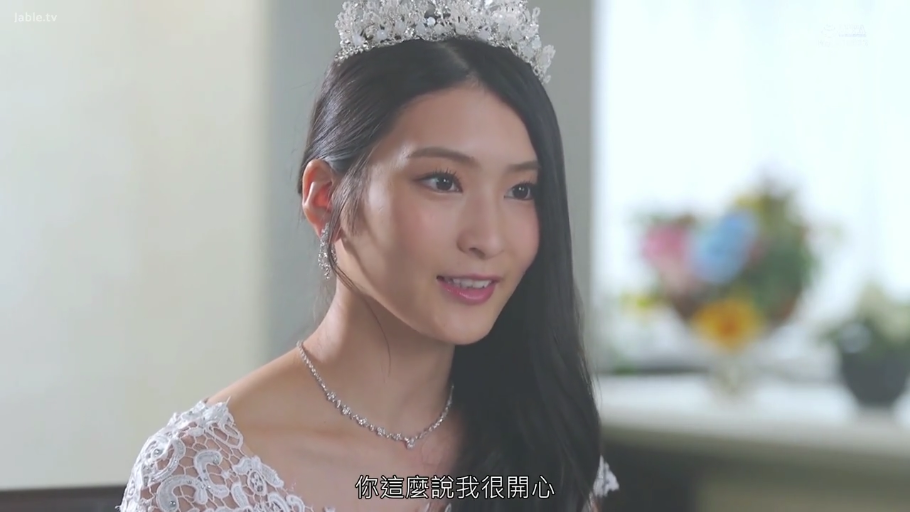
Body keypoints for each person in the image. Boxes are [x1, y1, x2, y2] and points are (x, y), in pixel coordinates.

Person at [118, 1, 618, 511]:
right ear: (325, 198)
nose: (488, 238)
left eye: (521, 190)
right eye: (442, 181)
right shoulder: (204, 475)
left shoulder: (539, 445)